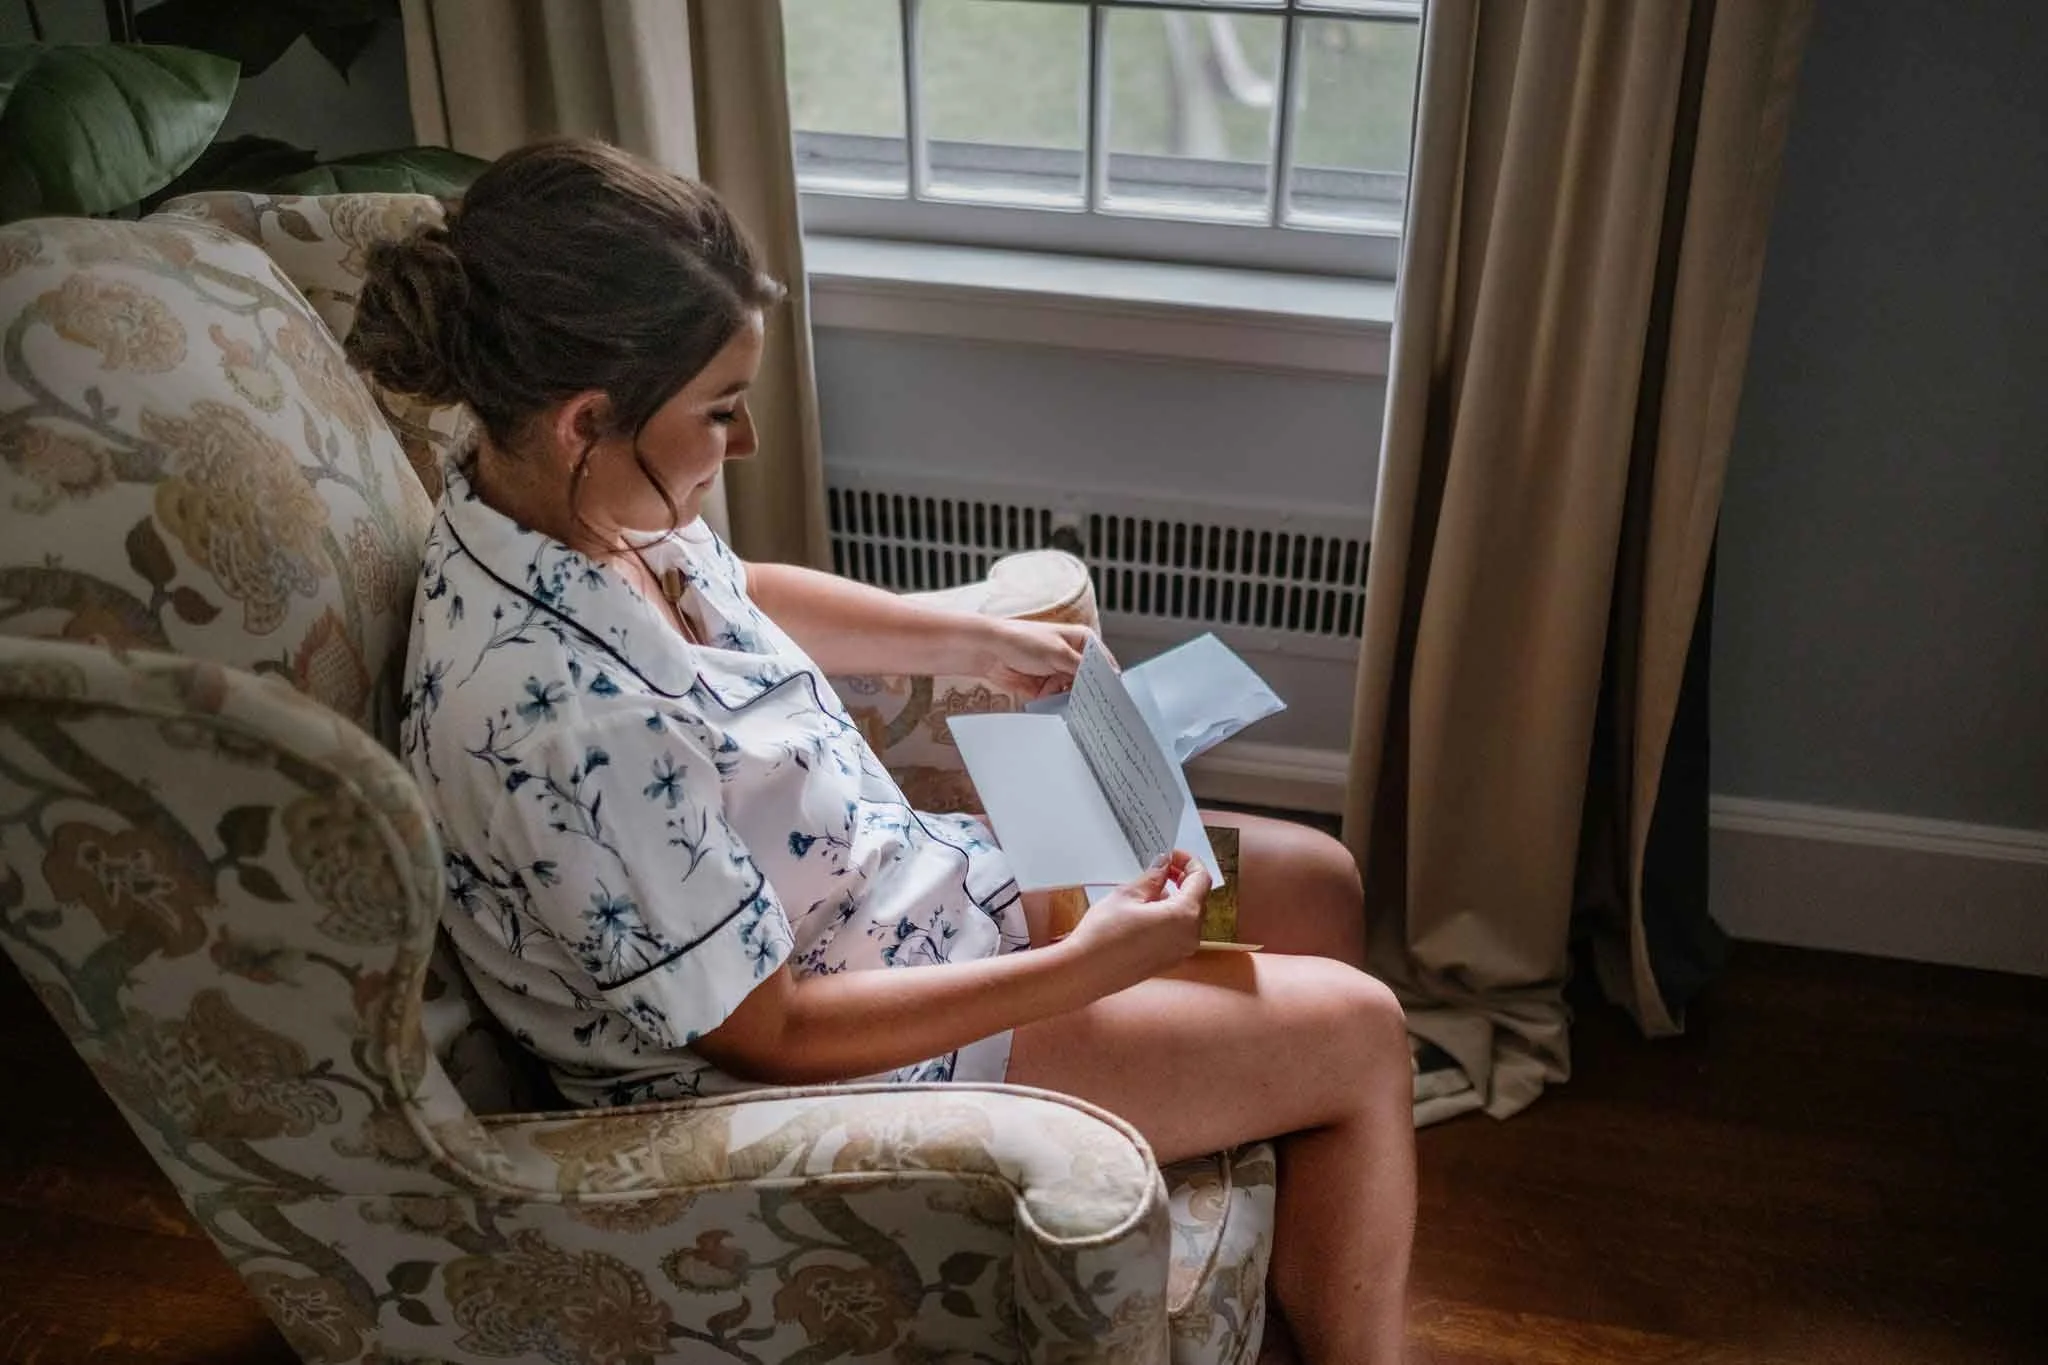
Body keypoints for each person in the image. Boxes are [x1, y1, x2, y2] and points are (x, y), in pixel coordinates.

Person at [350, 138, 1415, 1364]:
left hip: (920, 895)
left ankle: (1290, 1264)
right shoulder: (558, 719)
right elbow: (771, 1034)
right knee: (1358, 1028)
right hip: (847, 1068)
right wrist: (1087, 968)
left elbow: (736, 590)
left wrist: (964, 633)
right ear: (590, 417)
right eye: (719, 410)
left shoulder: (565, 499)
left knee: (1313, 886)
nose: (743, 443)